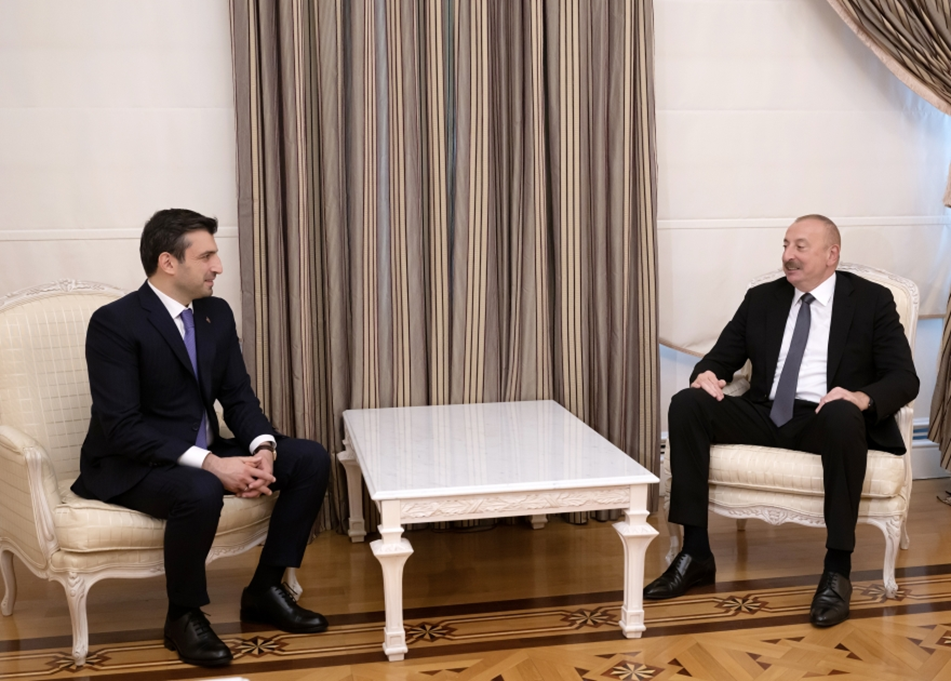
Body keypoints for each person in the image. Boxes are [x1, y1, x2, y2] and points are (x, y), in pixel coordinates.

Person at [72, 208, 332, 667]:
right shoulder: (115, 323)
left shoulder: (216, 313)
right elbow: (123, 427)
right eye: (207, 256)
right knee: (200, 488)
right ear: (168, 262)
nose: (219, 266)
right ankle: (183, 615)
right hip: (130, 462)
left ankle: (265, 589)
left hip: (203, 449)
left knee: (310, 458)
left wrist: (263, 448)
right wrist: (212, 464)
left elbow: (238, 396)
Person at [646, 214, 919, 627]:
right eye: (785, 245)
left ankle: (837, 569)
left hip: (824, 418)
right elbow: (720, 358)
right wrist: (707, 375)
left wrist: (859, 398)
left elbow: (904, 378)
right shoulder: (762, 298)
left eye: (800, 247)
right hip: (766, 412)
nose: (788, 255)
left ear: (831, 254)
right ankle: (695, 553)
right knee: (688, 403)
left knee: (844, 415)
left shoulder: (871, 300)